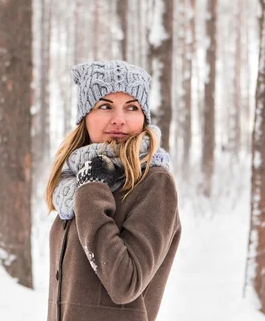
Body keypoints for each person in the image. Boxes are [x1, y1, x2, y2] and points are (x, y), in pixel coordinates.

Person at [46, 60, 181, 321]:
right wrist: (88, 186)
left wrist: (92, 190)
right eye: (105, 106)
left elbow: (125, 284)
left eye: (132, 107)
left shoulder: (153, 184)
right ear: (85, 116)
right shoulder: (73, 184)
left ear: (143, 118)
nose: (119, 120)